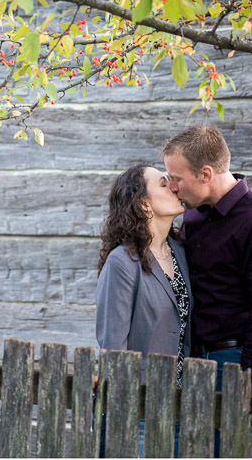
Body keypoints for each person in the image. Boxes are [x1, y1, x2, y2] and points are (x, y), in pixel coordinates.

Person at [162, 126, 252, 393]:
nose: (172, 187)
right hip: (192, 361)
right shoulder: (193, 215)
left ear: (206, 174)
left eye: (176, 178)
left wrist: (251, 385)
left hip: (233, 363)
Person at [95, 163, 191, 458]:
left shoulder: (180, 253)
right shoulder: (122, 263)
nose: (174, 186)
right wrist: (124, 414)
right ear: (144, 203)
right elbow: (114, 349)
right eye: (163, 184)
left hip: (179, 406)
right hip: (137, 410)